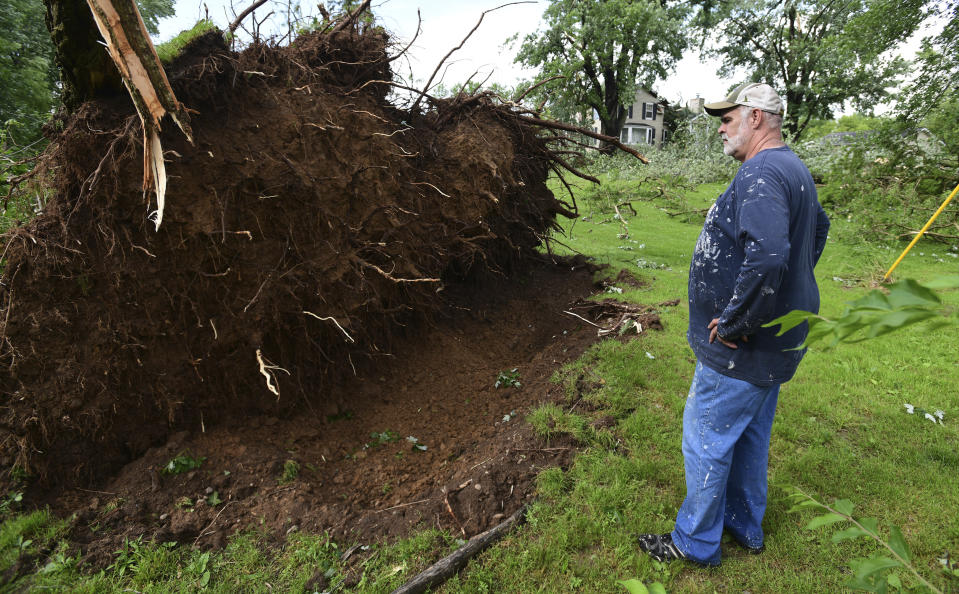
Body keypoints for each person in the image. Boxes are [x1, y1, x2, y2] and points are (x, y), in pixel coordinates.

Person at [637, 83, 830, 566]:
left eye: (729, 118)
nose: (722, 127)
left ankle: (694, 542)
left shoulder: (762, 171)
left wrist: (737, 321)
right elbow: (818, 230)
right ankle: (745, 526)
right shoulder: (793, 167)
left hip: (745, 344)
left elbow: (767, 256)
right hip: (778, 340)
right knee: (748, 434)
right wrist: (790, 288)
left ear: (757, 119)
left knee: (705, 438)